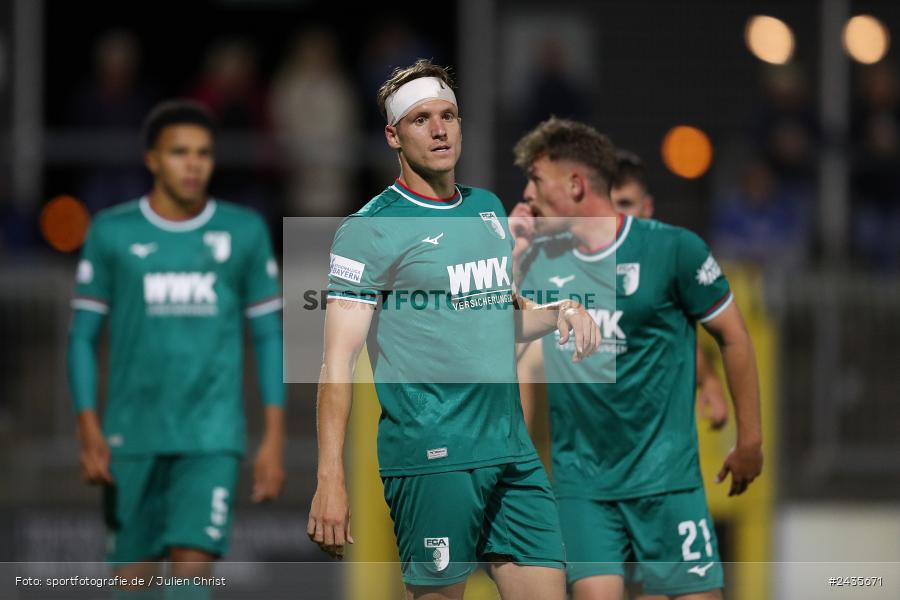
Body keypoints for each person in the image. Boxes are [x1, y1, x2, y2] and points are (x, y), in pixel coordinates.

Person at [305, 60, 600, 600]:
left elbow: (498, 320)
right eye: (421, 120)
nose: (440, 130)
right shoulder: (370, 229)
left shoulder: (486, 210)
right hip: (434, 456)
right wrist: (330, 476)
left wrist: (559, 310)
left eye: (449, 115)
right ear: (393, 135)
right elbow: (337, 361)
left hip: (511, 453)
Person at [509, 117, 763, 600]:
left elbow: (733, 336)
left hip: (667, 482)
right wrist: (512, 254)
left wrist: (750, 441)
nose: (527, 193)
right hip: (584, 487)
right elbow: (506, 351)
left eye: (537, 180)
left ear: (576, 184)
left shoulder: (673, 250)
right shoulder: (540, 261)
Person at [67, 100, 286, 598]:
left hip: (210, 436)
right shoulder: (111, 231)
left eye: (204, 153)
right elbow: (81, 336)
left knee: (191, 581)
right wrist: (87, 423)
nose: (193, 164)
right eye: (179, 152)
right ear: (152, 159)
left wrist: (272, 436)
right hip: (131, 434)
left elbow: (268, 334)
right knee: (132, 584)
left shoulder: (243, 231)